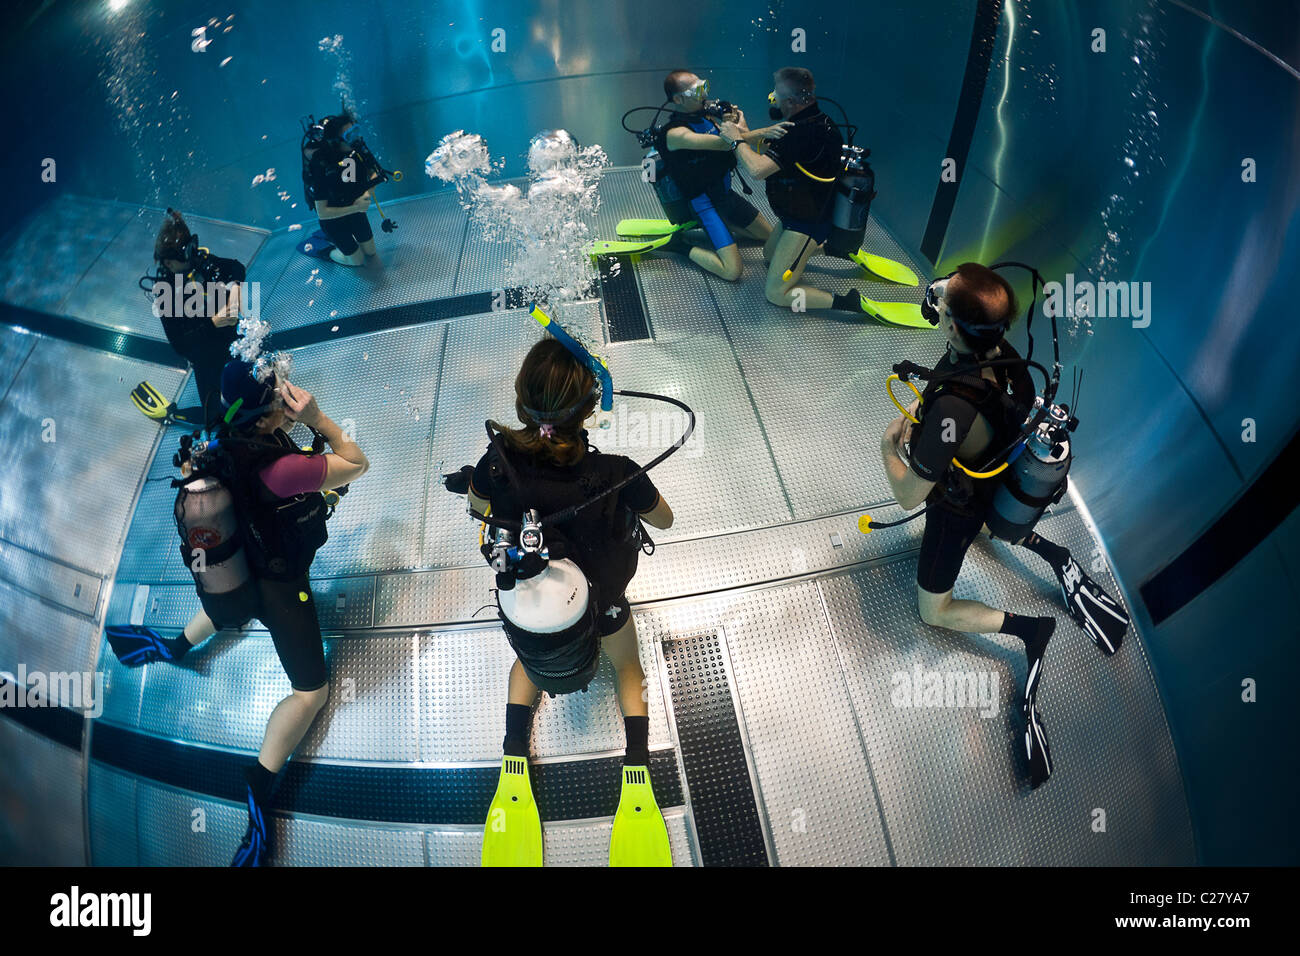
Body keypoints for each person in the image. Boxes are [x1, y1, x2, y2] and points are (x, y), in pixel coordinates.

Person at [105, 359, 370, 864]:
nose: (290, 392)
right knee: (312, 692)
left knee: (230, 606)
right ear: (269, 409)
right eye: (281, 391)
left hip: (234, 573)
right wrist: (320, 420)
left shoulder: (215, 433)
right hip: (278, 584)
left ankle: (174, 646)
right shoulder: (284, 468)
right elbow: (358, 462)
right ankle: (260, 782)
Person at [879, 263, 1130, 788]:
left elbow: (906, 497)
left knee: (933, 611)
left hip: (958, 512)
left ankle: (1030, 630)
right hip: (997, 476)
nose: (938, 296)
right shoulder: (1013, 358)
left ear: (951, 328)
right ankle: (1047, 550)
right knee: (989, 518)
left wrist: (888, 447)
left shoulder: (951, 407)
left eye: (945, 302)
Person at [464, 338, 674, 767]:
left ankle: (514, 750)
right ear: (588, 409)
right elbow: (664, 520)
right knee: (629, 667)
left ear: (523, 404)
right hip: (606, 602)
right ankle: (636, 757)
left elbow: (476, 508)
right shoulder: (618, 473)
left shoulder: (495, 462)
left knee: (527, 664)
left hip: (536, 608)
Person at [715, 67, 877, 315]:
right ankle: (833, 248)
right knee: (768, 258)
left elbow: (757, 170)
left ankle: (849, 303)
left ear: (790, 101)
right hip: (793, 215)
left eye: (776, 94)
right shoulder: (809, 122)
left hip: (807, 222)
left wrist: (735, 139)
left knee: (776, 292)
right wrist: (744, 129)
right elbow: (777, 150)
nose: (772, 98)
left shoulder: (801, 133)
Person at [653, 70, 786, 280]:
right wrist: (761, 132)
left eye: (704, 86)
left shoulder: (707, 118)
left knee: (769, 238)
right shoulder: (674, 134)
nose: (704, 95)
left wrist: (735, 125)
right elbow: (724, 143)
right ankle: (680, 246)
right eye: (697, 91)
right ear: (678, 99)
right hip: (704, 204)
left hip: (726, 196)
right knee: (732, 271)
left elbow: (733, 137)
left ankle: (723, 225)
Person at [133, 209, 247, 427]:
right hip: (206, 355)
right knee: (220, 418)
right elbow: (181, 345)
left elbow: (235, 267)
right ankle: (171, 415)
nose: (194, 258)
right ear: (169, 263)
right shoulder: (166, 292)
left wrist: (234, 291)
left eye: (193, 249)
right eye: (186, 255)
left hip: (232, 339)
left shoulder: (198, 261)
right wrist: (213, 322)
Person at [301, 110, 385, 267]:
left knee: (371, 252)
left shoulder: (356, 152)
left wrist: (366, 194)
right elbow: (322, 212)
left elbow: (375, 173)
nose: (356, 138)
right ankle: (325, 250)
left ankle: (343, 243)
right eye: (349, 135)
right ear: (335, 141)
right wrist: (356, 207)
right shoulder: (321, 164)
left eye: (356, 131)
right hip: (333, 220)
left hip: (354, 209)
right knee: (357, 261)